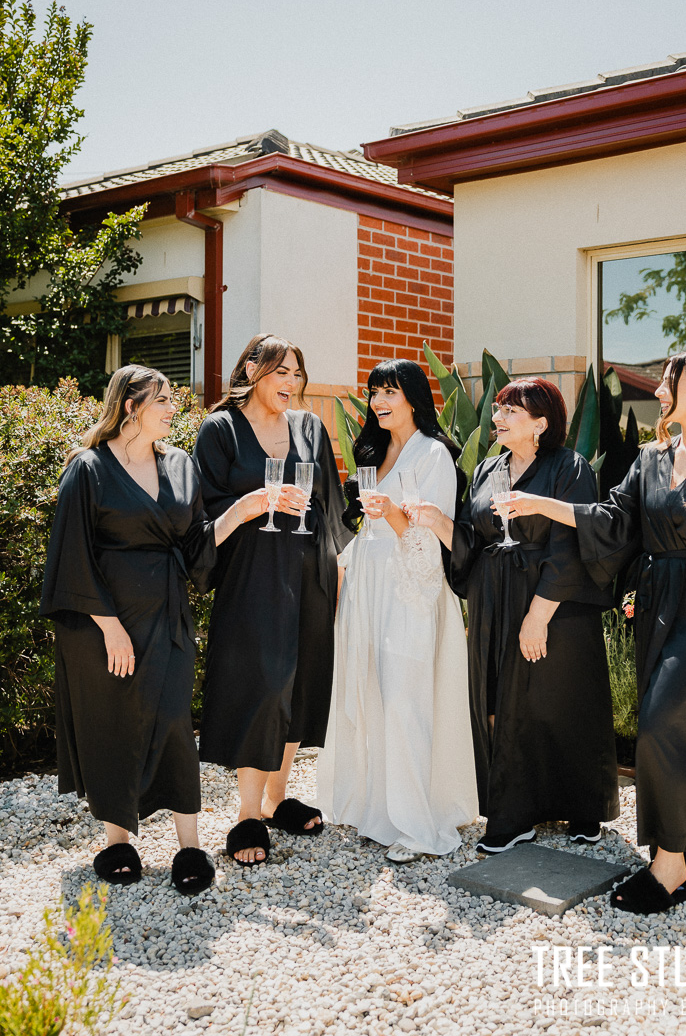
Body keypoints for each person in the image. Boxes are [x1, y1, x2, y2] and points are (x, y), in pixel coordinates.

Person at [508, 350, 686, 913]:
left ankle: (670, 865)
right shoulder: (651, 457)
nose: (660, 391)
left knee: (661, 726)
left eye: (671, 381)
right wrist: (542, 505)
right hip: (655, 606)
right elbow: (613, 520)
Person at [40, 365, 266, 893]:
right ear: (130, 406)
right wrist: (110, 627)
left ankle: (189, 846)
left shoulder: (180, 465)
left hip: (167, 617)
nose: (172, 408)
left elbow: (194, 548)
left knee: (173, 723)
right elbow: (71, 556)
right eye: (161, 399)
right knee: (113, 724)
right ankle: (117, 841)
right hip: (103, 625)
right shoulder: (88, 469)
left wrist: (241, 512)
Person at [416, 376, 619, 855]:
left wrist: (538, 616)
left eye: (511, 411)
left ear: (540, 424)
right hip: (494, 599)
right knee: (496, 702)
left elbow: (569, 547)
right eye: (498, 408)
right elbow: (473, 540)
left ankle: (580, 807)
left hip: (553, 605)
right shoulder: (489, 468)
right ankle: (515, 813)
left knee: (558, 705)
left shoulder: (569, 467)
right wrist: (436, 521)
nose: (498, 417)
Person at [192, 334, 350, 866]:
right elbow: (203, 511)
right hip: (253, 573)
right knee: (261, 683)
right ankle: (246, 814)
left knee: (301, 682)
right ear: (252, 371)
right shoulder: (220, 429)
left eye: (297, 374)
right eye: (281, 372)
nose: (291, 382)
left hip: (309, 569)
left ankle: (277, 799)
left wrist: (340, 564)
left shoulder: (309, 427)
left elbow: (330, 502)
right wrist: (255, 503)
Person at [316, 359, 478, 863]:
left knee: (405, 696)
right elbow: (366, 526)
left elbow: (430, 540)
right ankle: (379, 811)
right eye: (374, 392)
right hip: (368, 581)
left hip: (412, 587)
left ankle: (419, 824)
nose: (379, 402)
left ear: (413, 397)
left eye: (390, 391)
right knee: (369, 690)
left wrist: (391, 516)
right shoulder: (374, 450)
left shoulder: (434, 455)